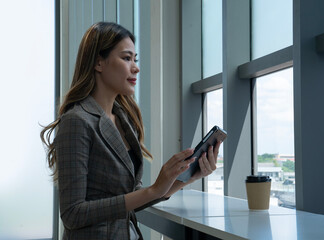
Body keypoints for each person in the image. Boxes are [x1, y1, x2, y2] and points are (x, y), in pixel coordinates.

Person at [40, 22, 221, 240]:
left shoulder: (125, 121)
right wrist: (153, 190)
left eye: (135, 59)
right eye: (126, 58)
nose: (135, 67)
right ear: (99, 62)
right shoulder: (77, 121)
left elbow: (135, 198)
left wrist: (186, 178)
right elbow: (72, 214)